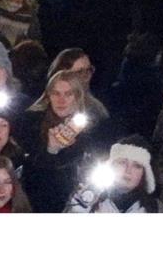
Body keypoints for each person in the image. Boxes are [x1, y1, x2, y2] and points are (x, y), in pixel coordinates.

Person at [18, 70, 106, 213]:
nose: (61, 100)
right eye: (56, 93)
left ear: (78, 97)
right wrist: (51, 150)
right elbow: (31, 176)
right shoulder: (31, 126)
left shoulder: (93, 131)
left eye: (68, 94)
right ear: (49, 96)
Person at [65, 135, 163, 213]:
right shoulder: (86, 197)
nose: (128, 170)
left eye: (137, 166)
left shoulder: (155, 208)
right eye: (122, 162)